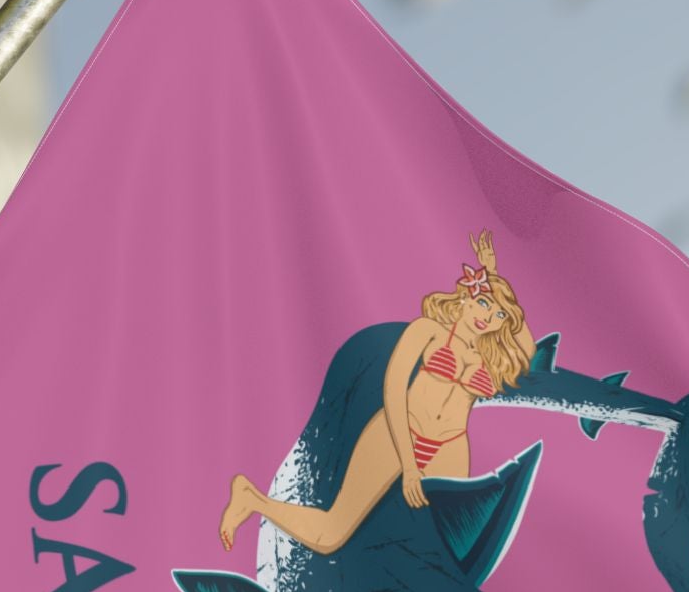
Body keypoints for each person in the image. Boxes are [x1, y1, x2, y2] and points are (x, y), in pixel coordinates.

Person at [218, 230, 538, 554]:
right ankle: (252, 499)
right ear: (467, 296)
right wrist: (409, 465)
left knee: (442, 550)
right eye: (484, 302)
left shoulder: (491, 356)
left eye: (499, 315)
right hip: (398, 429)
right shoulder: (427, 331)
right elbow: (394, 388)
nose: (488, 317)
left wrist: (495, 278)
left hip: (450, 446)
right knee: (331, 535)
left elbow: (527, 344)